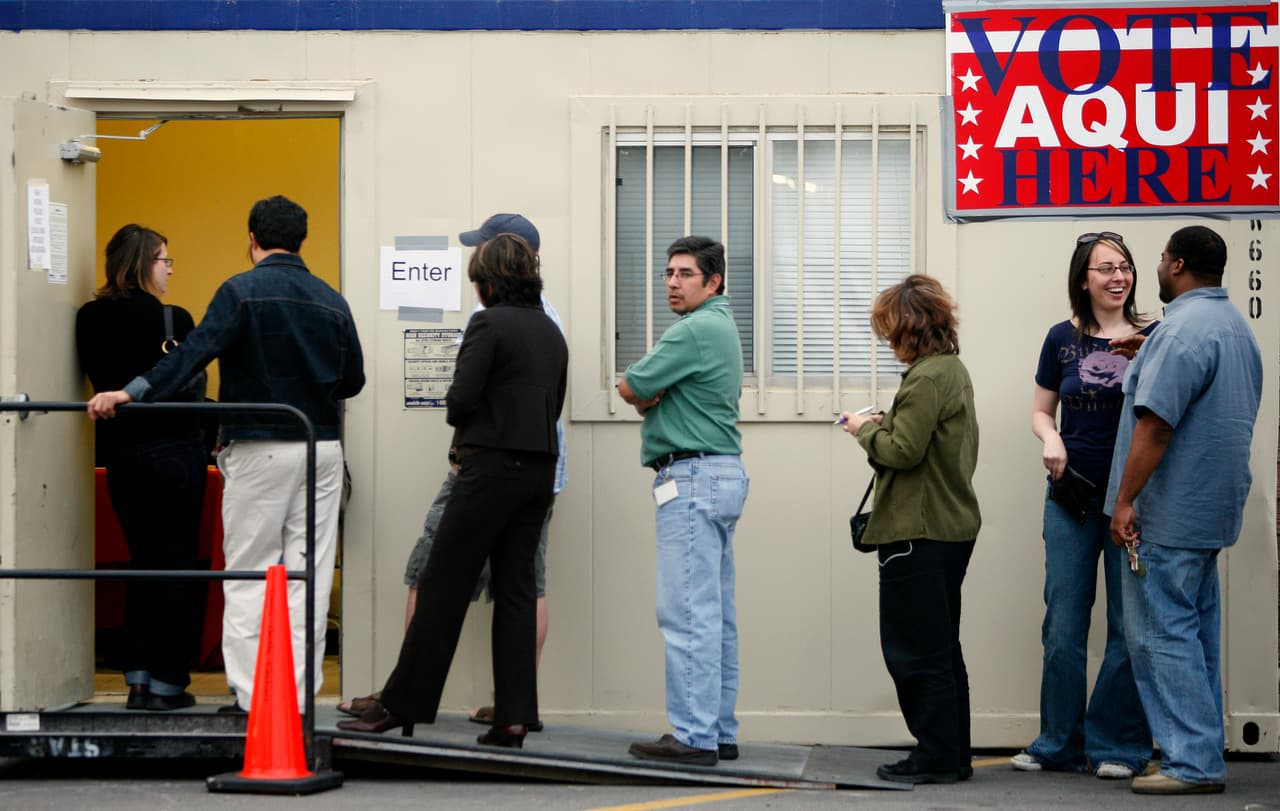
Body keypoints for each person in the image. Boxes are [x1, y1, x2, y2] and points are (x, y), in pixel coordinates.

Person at [87, 196, 365, 714]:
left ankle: (252, 698)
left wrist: (132, 392)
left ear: (252, 240)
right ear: (301, 240)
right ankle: (299, 699)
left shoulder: (240, 292)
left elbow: (194, 355)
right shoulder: (332, 300)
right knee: (309, 576)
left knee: (249, 575)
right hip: (321, 449)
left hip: (258, 448)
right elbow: (354, 380)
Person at [337, 233, 567, 748]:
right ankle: (513, 717)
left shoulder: (488, 323)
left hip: (487, 468)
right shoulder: (551, 332)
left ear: (488, 283)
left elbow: (460, 399)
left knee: (442, 585)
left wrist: (468, 414)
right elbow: (554, 403)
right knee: (516, 590)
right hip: (539, 473)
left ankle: (401, 705)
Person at [1107, 225, 1262, 796]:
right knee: (1193, 632)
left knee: (1159, 635)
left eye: (1160, 259)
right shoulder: (1230, 328)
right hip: (1210, 512)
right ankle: (1196, 751)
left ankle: (1191, 765)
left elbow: (1158, 425)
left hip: (1168, 514)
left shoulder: (1180, 332)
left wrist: (1124, 501)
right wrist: (1151, 349)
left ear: (1175, 265)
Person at [1014, 232, 1156, 778]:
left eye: (1125, 267)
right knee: (1064, 625)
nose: (1118, 277)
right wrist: (1049, 438)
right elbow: (1041, 411)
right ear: (1083, 279)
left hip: (1133, 500)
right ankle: (1058, 743)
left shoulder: (1154, 336)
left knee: (1128, 627)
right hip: (1071, 496)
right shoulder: (1061, 339)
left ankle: (1118, 746)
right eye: (1105, 269)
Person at [837, 274, 980, 785]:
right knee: (942, 648)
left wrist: (863, 428)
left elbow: (902, 451)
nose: (888, 342)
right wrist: (887, 423)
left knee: (914, 651)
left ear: (910, 330)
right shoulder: (952, 371)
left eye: (891, 332)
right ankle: (951, 752)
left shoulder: (924, 379)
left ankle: (936, 756)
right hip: (950, 527)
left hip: (916, 532)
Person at [617, 236, 749, 768]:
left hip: (691, 476)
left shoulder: (693, 330)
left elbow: (631, 386)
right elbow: (646, 389)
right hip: (718, 473)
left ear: (713, 282)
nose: (673, 282)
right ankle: (717, 729)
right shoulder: (721, 326)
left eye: (685, 274)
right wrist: (653, 391)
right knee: (714, 614)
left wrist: (649, 392)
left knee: (686, 613)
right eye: (669, 273)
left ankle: (694, 737)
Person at [76, 224, 209, 711]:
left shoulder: (87, 318)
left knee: (141, 564)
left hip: (122, 458)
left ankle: (135, 679)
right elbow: (194, 385)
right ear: (139, 264)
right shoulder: (176, 319)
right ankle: (167, 685)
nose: (171, 268)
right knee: (176, 566)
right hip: (175, 453)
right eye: (164, 259)